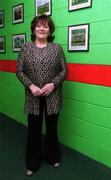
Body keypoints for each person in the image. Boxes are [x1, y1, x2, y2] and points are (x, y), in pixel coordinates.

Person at [16, 14, 67, 176]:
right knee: (34, 131)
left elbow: (64, 70)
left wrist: (53, 84)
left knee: (52, 130)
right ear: (33, 28)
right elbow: (19, 70)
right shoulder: (25, 48)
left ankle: (53, 157)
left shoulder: (57, 48)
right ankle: (32, 163)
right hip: (33, 96)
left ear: (50, 29)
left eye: (45, 26)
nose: (42, 28)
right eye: (39, 25)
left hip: (53, 96)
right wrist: (31, 86)